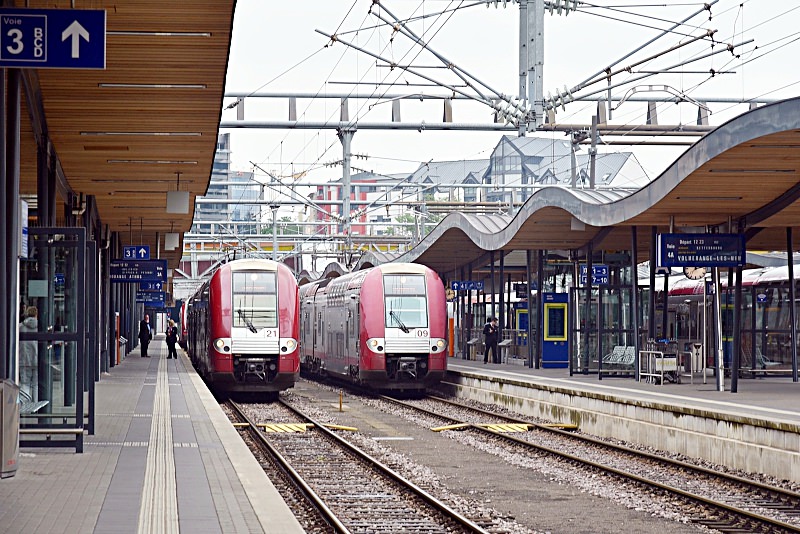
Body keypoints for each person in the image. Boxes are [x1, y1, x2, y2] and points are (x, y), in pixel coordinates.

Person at [19, 306, 39, 401]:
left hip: (23, 359)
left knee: (25, 383)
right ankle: (35, 405)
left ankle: (25, 405)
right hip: (37, 359)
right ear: (36, 314)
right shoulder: (40, 327)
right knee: (35, 384)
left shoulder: (20, 327)